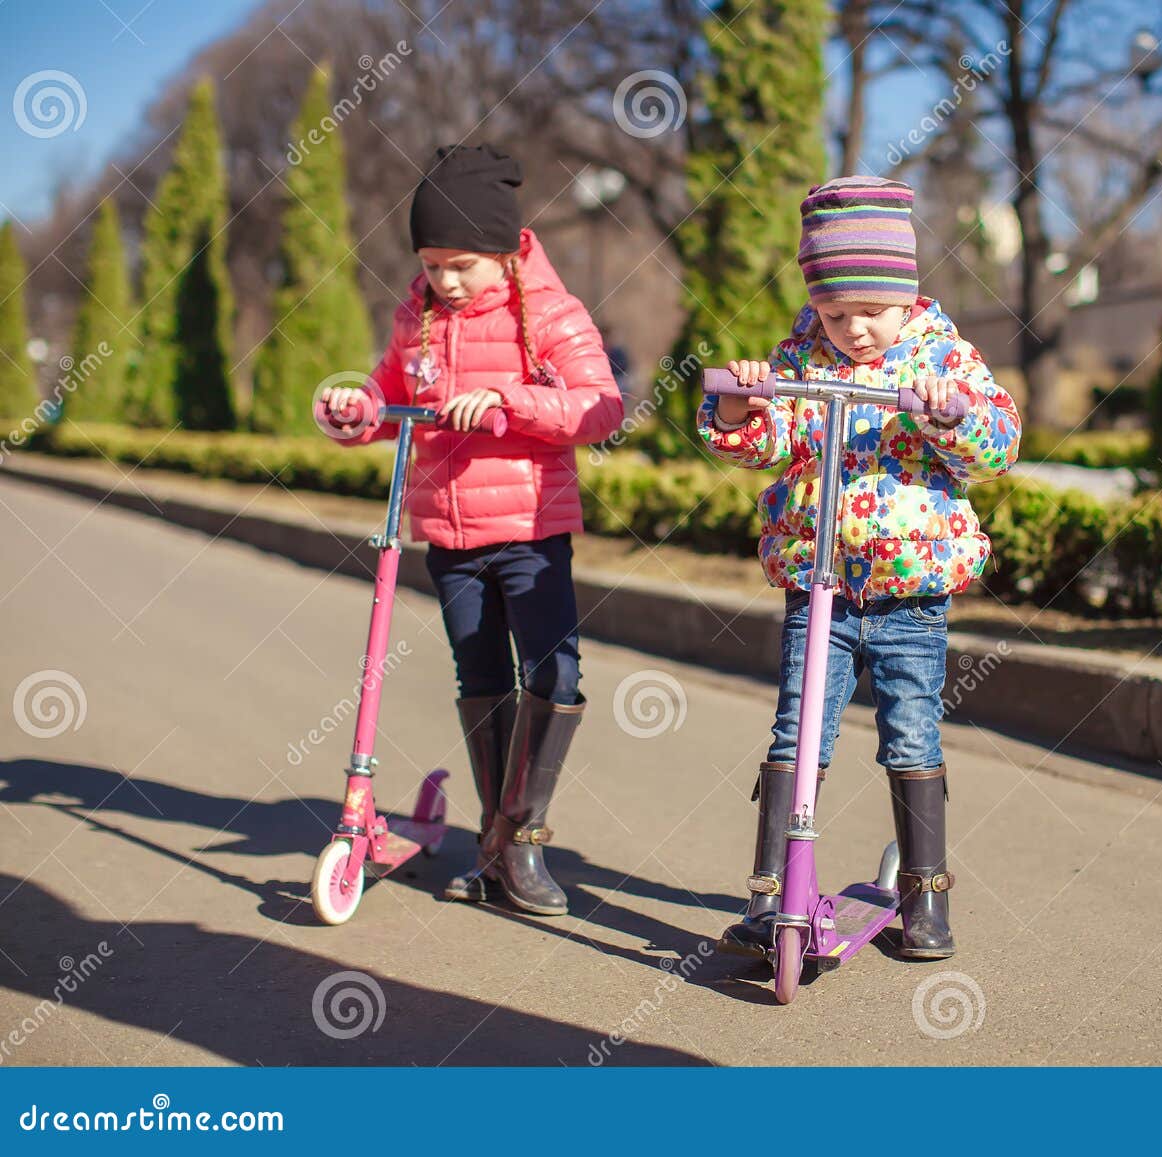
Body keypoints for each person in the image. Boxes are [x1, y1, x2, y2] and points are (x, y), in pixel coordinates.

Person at [697, 175, 1021, 960]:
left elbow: (998, 440)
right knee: (798, 729)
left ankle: (926, 897)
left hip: (911, 590)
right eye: (837, 314)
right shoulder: (803, 353)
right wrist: (742, 408)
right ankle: (771, 890)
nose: (854, 331)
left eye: (870, 313)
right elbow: (767, 442)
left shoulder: (941, 353)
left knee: (910, 731)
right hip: (821, 586)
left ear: (905, 293)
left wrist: (952, 413)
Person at [318, 143, 622, 915]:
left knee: (553, 676)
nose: (445, 281)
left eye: (462, 264)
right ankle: (494, 837)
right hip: (448, 535)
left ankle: (521, 838)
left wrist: (507, 400)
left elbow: (602, 408)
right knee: (480, 679)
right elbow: (389, 395)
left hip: (528, 529)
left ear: (507, 249)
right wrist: (358, 410)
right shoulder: (416, 313)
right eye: (431, 262)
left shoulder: (549, 314)